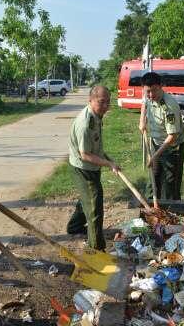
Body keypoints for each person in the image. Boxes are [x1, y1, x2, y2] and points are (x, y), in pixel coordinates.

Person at [66, 85, 120, 251]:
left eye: (108, 102)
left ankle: (75, 226)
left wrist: (107, 158)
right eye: (101, 102)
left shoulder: (96, 116)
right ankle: (96, 248)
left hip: (92, 164)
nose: (105, 106)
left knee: (88, 198)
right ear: (90, 100)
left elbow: (95, 147)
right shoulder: (85, 124)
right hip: (83, 167)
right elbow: (85, 155)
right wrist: (109, 164)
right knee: (94, 205)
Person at [139, 72, 184, 201]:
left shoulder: (169, 106)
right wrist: (142, 120)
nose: (151, 95)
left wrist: (155, 156)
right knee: (154, 175)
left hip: (172, 147)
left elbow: (172, 136)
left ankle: (171, 211)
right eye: (147, 91)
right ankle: (151, 207)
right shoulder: (148, 97)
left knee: (169, 181)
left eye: (154, 91)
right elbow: (144, 103)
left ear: (161, 87)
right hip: (156, 142)